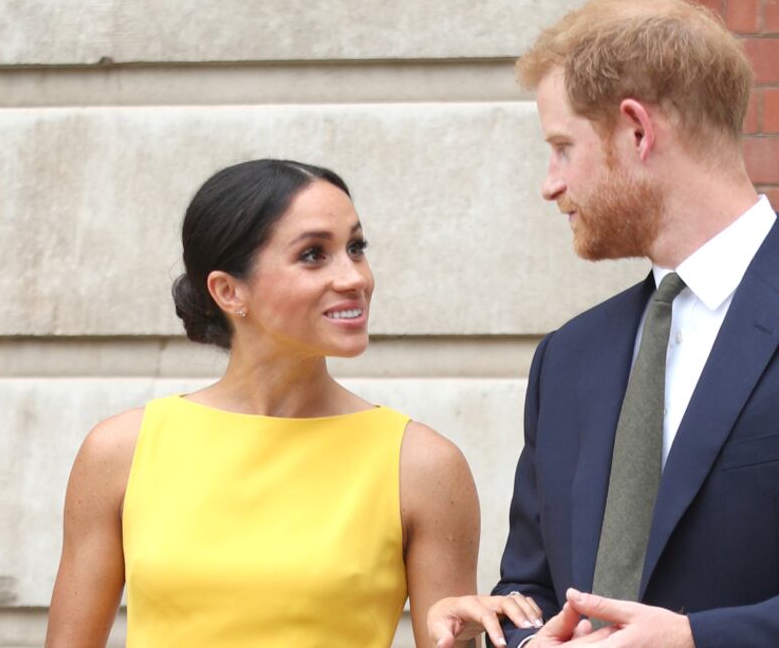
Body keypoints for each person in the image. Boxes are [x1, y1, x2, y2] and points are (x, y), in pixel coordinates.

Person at [433, 0, 779, 647]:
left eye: (561, 147)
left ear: (636, 130)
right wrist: (502, 625)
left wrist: (697, 638)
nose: (549, 183)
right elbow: (532, 590)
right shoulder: (567, 358)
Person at [44, 159, 542, 647]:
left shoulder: (423, 465)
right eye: (313, 255)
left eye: (355, 247)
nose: (354, 278)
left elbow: (448, 638)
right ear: (228, 290)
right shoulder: (119, 452)